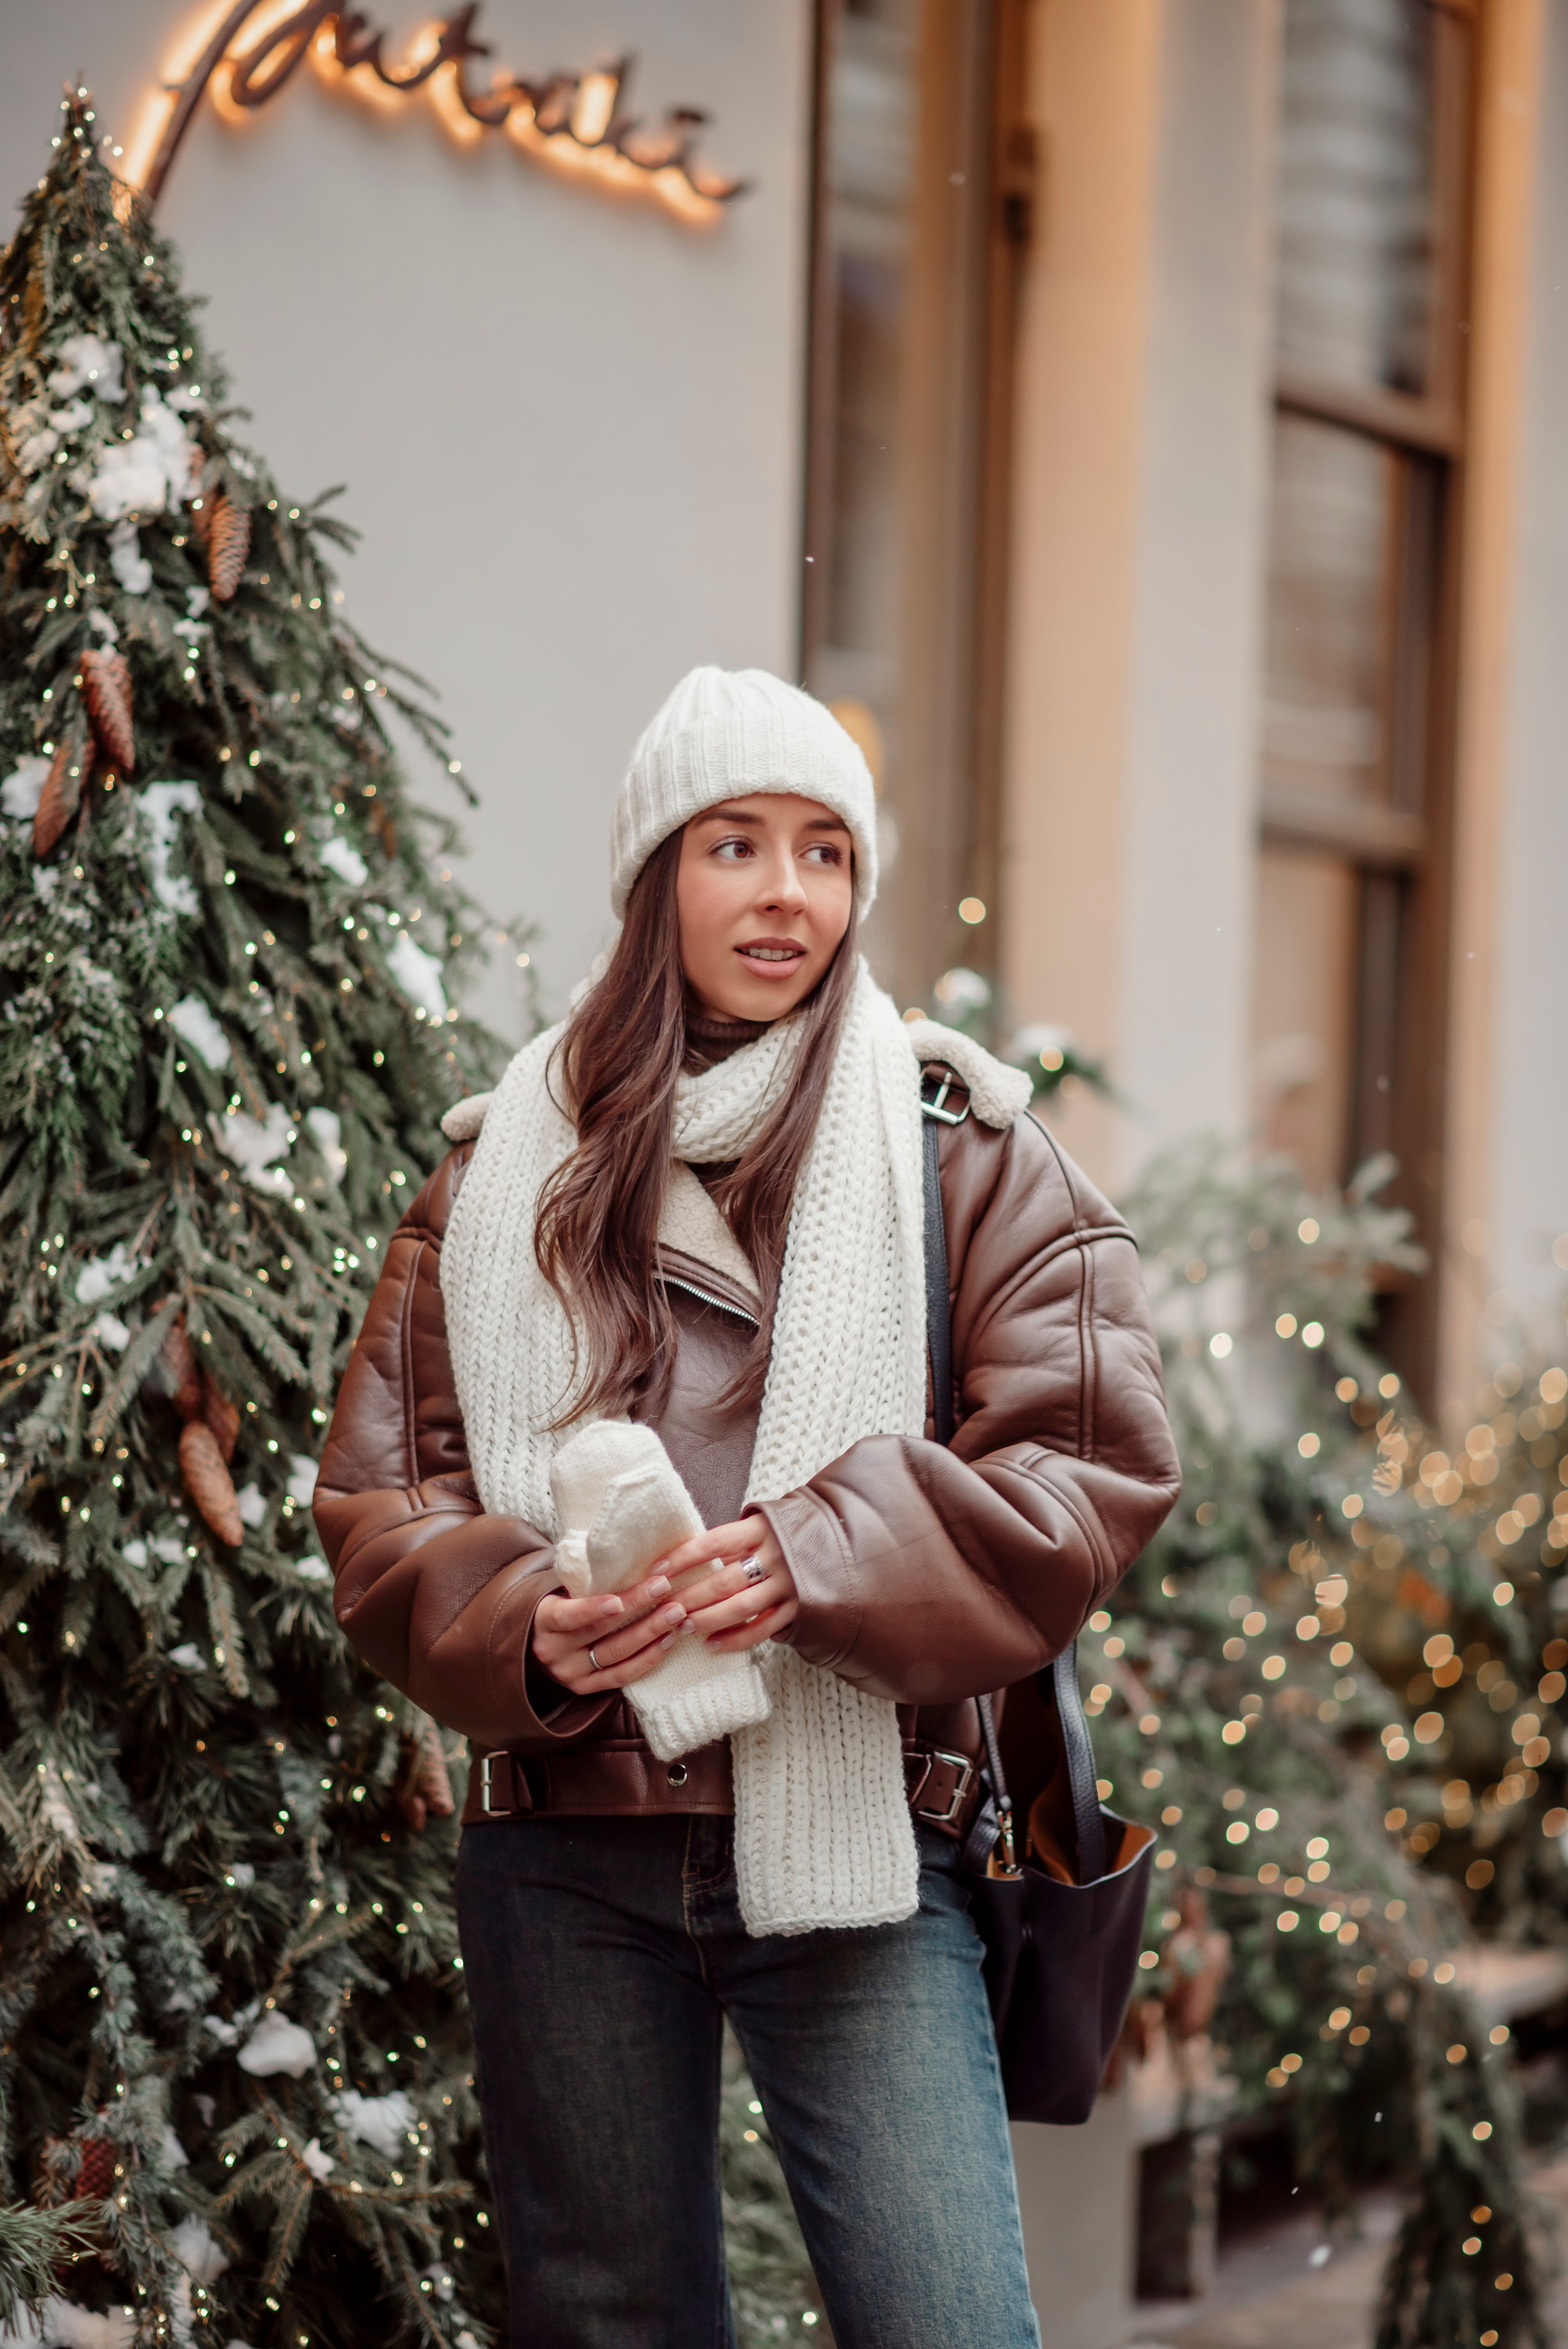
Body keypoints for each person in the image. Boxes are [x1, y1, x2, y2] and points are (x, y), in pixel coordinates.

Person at [315, 666, 1181, 2349]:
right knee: (610, 2320)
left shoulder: (959, 1145)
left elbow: (1090, 1463)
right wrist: (534, 1626)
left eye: (823, 852)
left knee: (947, 2323)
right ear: (658, 877)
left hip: (863, 1836)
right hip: (569, 1839)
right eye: (735, 845)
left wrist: (810, 1554)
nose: (787, 892)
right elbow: (383, 1504)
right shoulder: (495, 1174)